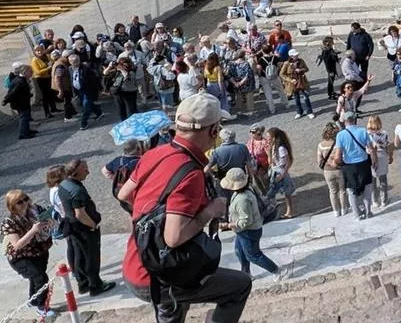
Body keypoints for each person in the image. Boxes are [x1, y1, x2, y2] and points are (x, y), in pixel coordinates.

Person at [118, 93, 251, 323]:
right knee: (239, 286)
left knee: (176, 307)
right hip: (158, 275)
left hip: (138, 260)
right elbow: (175, 237)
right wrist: (211, 211)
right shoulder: (190, 173)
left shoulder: (155, 153)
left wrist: (153, 220)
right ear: (213, 131)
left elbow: (124, 195)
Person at [56, 159, 115, 295]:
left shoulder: (63, 185)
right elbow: (80, 214)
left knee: (79, 256)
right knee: (91, 258)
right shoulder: (77, 190)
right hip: (84, 228)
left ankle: (83, 284)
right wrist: (93, 226)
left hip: (72, 227)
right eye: (85, 169)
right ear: (75, 172)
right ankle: (95, 285)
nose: (88, 172)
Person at [221, 167, 288, 281]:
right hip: (242, 231)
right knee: (240, 251)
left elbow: (246, 221)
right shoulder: (246, 189)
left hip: (248, 231)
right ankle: (246, 272)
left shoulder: (242, 200)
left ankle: (276, 270)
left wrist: (228, 225)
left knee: (253, 256)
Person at [0, 189, 57, 319]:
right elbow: (17, 245)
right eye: (19, 202)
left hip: (39, 249)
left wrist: (49, 222)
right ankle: (42, 306)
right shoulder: (9, 222)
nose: (25, 203)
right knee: (40, 278)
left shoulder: (36, 209)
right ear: (12, 206)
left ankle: (33, 300)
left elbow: (51, 221)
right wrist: (33, 230)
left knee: (37, 275)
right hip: (20, 256)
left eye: (25, 199)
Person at [334, 111, 377, 219]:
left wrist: (338, 164)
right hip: (363, 163)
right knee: (367, 188)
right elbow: (371, 149)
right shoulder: (363, 131)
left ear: (344, 121)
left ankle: (357, 214)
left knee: (352, 191)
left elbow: (337, 156)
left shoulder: (340, 135)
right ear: (354, 119)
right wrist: (374, 161)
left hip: (349, 166)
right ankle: (368, 212)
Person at [103, 139, 145, 213]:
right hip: (136, 194)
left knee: (131, 211)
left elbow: (105, 171)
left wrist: (116, 178)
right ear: (138, 149)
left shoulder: (118, 160)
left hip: (120, 191)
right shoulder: (140, 162)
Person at [318, 122, 350, 217]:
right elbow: (343, 156)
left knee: (332, 191)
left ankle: (336, 211)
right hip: (339, 169)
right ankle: (344, 209)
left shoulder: (321, 145)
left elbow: (319, 160)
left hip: (327, 171)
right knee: (342, 190)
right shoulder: (338, 143)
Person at [265, 127, 297, 219]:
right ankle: (287, 212)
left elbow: (287, 162)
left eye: (269, 138)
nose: (267, 140)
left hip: (280, 173)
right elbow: (271, 162)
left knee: (283, 193)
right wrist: (269, 153)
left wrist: (283, 174)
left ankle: (289, 212)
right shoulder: (273, 147)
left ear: (274, 138)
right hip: (275, 172)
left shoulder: (281, 149)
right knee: (277, 193)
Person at [70, 55, 104, 130]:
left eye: (77, 61)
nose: (76, 63)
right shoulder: (70, 69)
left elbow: (95, 79)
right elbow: (72, 79)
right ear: (70, 62)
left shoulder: (86, 69)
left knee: (86, 106)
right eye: (73, 62)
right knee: (88, 104)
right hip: (79, 91)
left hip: (88, 90)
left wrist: (100, 89)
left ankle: (83, 123)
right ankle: (99, 112)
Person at [3, 63, 37, 139]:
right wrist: (6, 100)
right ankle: (23, 134)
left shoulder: (21, 79)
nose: (32, 73)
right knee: (23, 118)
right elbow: (12, 92)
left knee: (26, 117)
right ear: (25, 72)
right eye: (30, 71)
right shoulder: (20, 81)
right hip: (20, 103)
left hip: (23, 102)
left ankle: (27, 130)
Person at [366, 115, 392, 209]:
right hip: (382, 156)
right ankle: (384, 200)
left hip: (370, 157)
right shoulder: (384, 133)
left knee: (372, 180)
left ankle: (375, 200)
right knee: (383, 179)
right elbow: (388, 145)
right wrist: (390, 156)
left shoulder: (366, 134)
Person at [281, 49, 315, 119]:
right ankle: (299, 112)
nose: (296, 56)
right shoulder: (286, 64)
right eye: (295, 55)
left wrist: (301, 70)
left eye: (297, 55)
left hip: (302, 81)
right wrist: (290, 80)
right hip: (293, 83)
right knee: (296, 98)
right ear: (291, 56)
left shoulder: (301, 61)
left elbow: (306, 69)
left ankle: (310, 112)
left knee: (306, 97)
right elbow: (282, 74)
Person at [106, 57, 142, 121]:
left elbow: (126, 76)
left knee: (131, 111)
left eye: (125, 63)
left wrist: (121, 69)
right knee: (121, 110)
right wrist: (109, 67)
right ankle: (124, 122)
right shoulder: (117, 71)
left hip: (130, 92)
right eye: (122, 63)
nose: (124, 65)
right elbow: (105, 73)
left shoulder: (132, 71)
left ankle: (134, 122)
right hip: (119, 93)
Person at [30, 46, 57, 119]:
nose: (40, 52)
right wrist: (48, 68)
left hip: (48, 77)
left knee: (51, 92)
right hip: (41, 79)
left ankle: (53, 108)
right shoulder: (34, 60)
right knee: (45, 96)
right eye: (37, 51)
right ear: (35, 52)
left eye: (41, 50)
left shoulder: (46, 56)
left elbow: (52, 62)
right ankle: (47, 112)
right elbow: (38, 72)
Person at [255, 43, 283, 115]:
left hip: (264, 77)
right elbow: (279, 64)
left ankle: (272, 109)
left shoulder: (261, 59)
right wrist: (276, 71)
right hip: (275, 76)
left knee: (268, 93)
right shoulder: (275, 57)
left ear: (262, 50)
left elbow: (259, 68)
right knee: (280, 90)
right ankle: (286, 103)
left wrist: (259, 74)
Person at [227, 51, 256, 116]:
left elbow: (229, 75)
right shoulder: (246, 63)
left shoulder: (231, 64)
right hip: (247, 84)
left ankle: (239, 112)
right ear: (243, 55)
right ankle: (250, 112)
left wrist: (235, 83)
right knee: (249, 97)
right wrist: (241, 82)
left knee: (238, 97)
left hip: (236, 83)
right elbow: (248, 75)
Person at [247, 123, 271, 193]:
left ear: (259, 133)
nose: (251, 134)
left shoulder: (265, 143)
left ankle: (270, 197)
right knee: (258, 183)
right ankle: (263, 194)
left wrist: (270, 168)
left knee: (266, 183)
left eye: (253, 132)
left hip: (263, 167)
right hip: (254, 167)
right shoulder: (251, 141)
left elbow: (270, 155)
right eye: (251, 132)